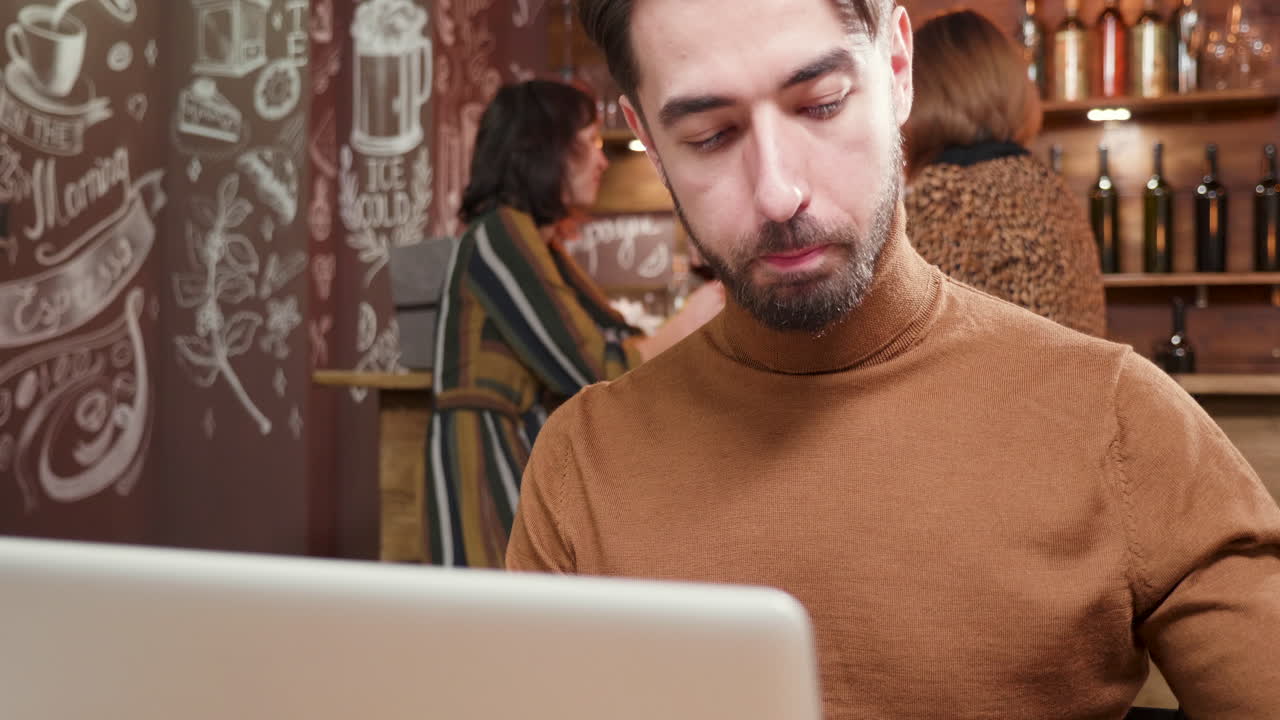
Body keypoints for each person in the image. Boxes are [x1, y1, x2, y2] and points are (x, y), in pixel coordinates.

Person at [507, 1, 1280, 718]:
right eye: (710, 134)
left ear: (898, 70)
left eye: (820, 104)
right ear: (647, 134)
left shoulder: (1120, 421)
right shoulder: (582, 462)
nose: (779, 194)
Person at [429, 80, 723, 568]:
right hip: (486, 468)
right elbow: (592, 368)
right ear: (544, 150)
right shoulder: (500, 235)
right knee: (507, 629)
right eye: (588, 142)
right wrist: (692, 317)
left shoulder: (539, 245)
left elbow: (613, 337)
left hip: (516, 460)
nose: (602, 158)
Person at [902, 9, 1106, 336]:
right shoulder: (1047, 186)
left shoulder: (948, 194)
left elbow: (911, 335)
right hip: (1072, 386)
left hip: (1006, 387)